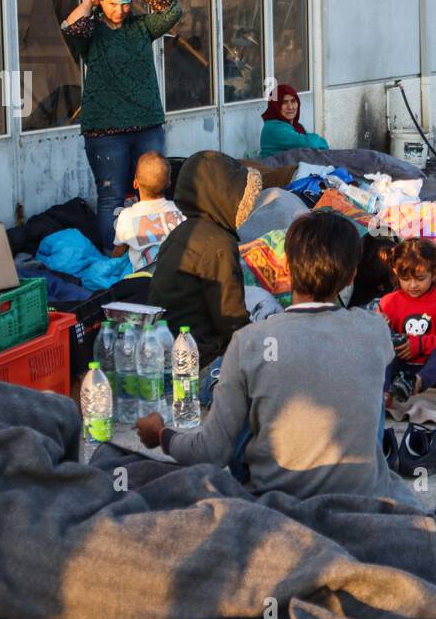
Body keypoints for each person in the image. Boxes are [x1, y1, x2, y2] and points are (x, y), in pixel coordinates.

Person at [137, 211, 416, 501]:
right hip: (362, 494)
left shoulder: (249, 341)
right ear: (352, 275)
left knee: (256, 392)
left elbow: (211, 452)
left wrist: (162, 436)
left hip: (277, 498)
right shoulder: (374, 330)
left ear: (286, 267)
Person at [61, 0, 182, 252]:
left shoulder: (141, 26)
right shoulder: (91, 33)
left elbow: (173, 11)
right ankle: (114, 259)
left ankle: (153, 253)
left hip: (148, 125)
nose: (121, 10)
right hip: (105, 133)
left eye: (126, 3)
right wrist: (90, 0)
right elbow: (70, 26)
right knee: (112, 198)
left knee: (153, 193)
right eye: (114, 3)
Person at [147, 151, 260, 367]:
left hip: (168, 343)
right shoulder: (218, 244)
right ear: (224, 198)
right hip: (200, 354)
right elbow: (230, 319)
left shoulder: (183, 232)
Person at [378, 239, 436, 474]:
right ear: (396, 272)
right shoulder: (389, 303)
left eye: (420, 278)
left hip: (432, 372)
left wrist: (418, 344)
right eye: (406, 279)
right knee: (382, 351)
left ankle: (414, 384)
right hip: (400, 368)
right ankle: (385, 395)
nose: (413, 285)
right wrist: (382, 329)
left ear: (434, 272)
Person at [112, 152, 185, 271]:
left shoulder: (126, 216)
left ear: (135, 183)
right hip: (175, 276)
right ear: (169, 183)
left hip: (143, 281)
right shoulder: (179, 210)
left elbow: (118, 252)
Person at [258, 84, 329, 158]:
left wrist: (314, 141)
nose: (290, 107)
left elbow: (324, 145)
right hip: (276, 168)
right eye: (284, 102)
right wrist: (316, 139)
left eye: (293, 101)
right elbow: (310, 144)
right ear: (275, 106)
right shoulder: (274, 128)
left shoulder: (296, 126)